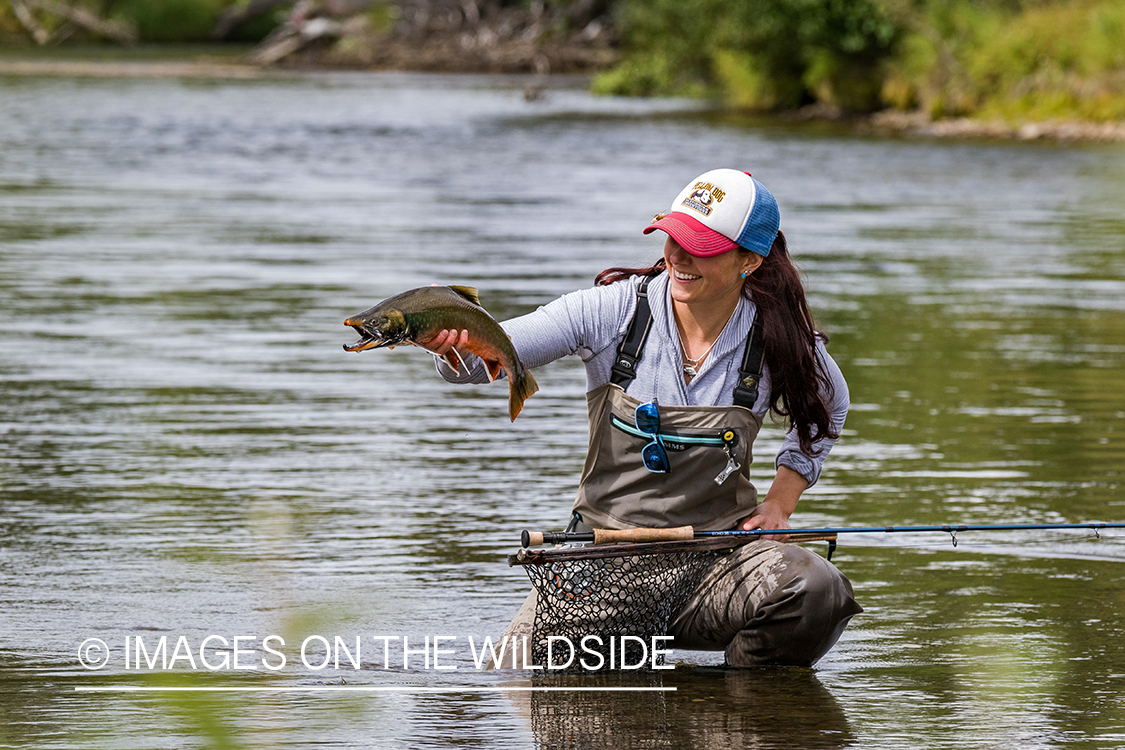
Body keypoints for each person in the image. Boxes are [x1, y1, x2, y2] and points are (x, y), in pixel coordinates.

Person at [427, 168, 861, 667]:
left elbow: (831, 402)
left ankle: (743, 713)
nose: (678, 256)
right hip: (601, 567)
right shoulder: (610, 313)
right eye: (673, 238)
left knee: (818, 591)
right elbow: (488, 359)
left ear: (750, 261)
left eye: (701, 245)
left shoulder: (778, 338)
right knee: (516, 681)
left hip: (718, 567)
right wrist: (451, 340)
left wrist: (781, 502)